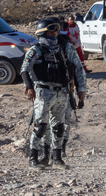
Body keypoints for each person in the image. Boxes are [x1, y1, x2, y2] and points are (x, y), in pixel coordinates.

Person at [21, 19, 87, 170]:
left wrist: (81, 88)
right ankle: (34, 159)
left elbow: (78, 68)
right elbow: (25, 69)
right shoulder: (36, 49)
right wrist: (29, 87)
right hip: (43, 91)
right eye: (50, 33)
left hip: (62, 92)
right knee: (41, 126)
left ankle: (56, 158)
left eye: (56, 32)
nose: (54, 35)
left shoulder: (64, 49)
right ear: (42, 34)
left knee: (59, 127)